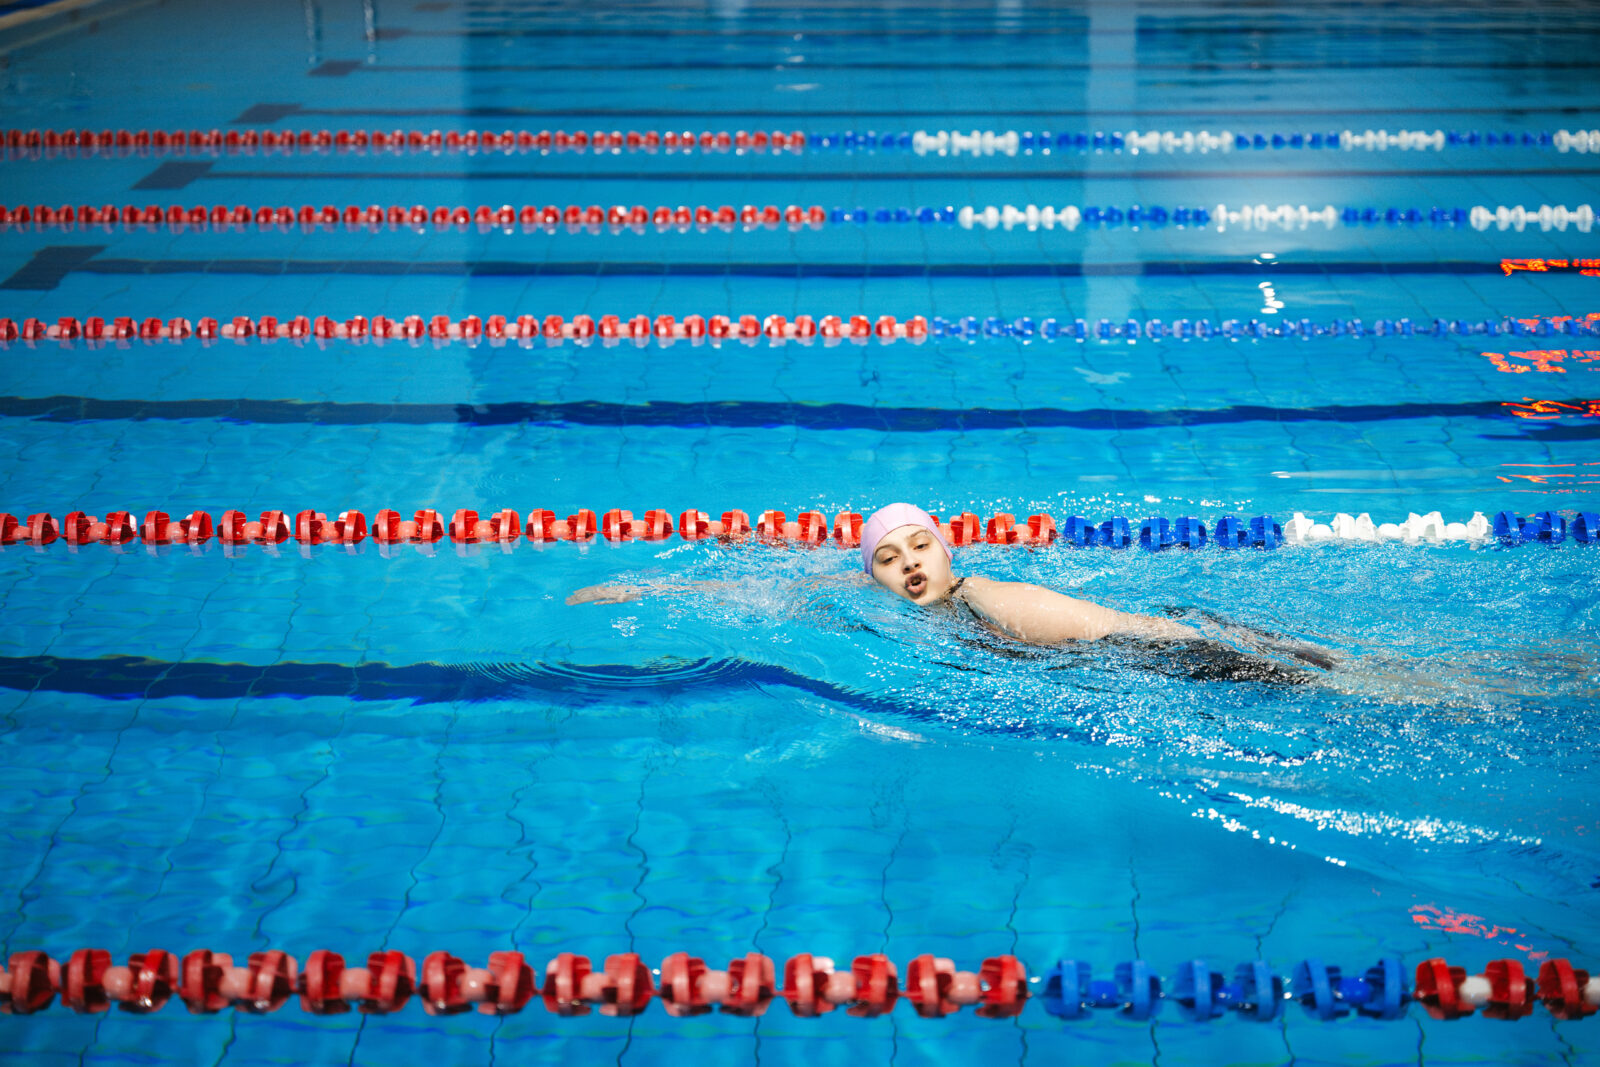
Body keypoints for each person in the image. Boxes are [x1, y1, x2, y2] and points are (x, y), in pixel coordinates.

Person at [569, 502, 1335, 678]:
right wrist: (642, 587)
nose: (908, 563)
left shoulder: (990, 597)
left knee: (1325, 680)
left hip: (1169, 653)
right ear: (870, 576)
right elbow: (766, 590)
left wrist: (1207, 649)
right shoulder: (878, 595)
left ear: (947, 551)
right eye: (888, 558)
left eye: (921, 546)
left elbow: (1112, 624)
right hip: (1143, 649)